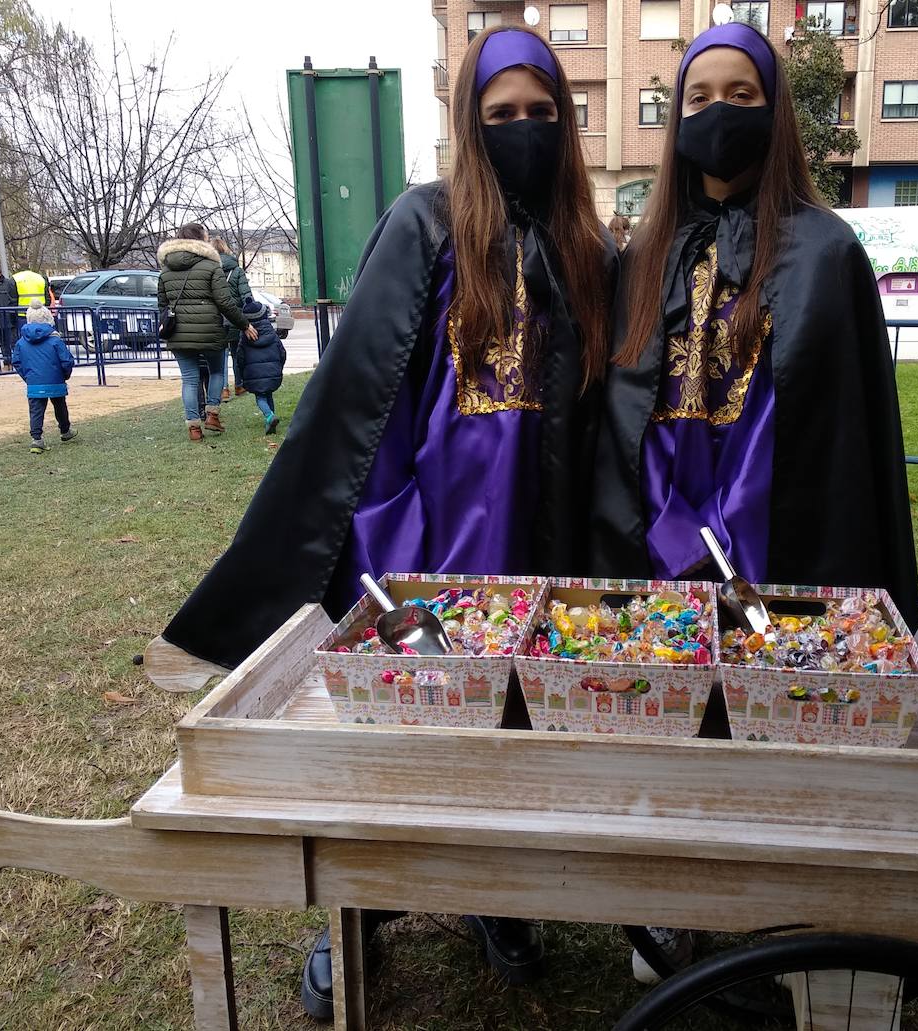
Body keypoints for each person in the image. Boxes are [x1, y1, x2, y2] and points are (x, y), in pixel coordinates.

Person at [155, 26, 612, 1018]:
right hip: (435, 542)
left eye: (542, 115)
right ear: (469, 124)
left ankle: (499, 899)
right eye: (503, 116)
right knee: (410, 740)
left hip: (546, 539)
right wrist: (388, 534)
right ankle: (362, 911)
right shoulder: (424, 224)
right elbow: (365, 399)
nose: (524, 131)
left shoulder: (587, 246)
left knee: (524, 732)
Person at [592, 27, 918, 981]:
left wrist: (724, 534)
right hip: (654, 533)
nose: (718, 114)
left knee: (781, 722)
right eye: (698, 98)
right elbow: (625, 410)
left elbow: (818, 426)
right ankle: (661, 902)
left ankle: (790, 905)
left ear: (773, 115)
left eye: (741, 94)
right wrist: (666, 524)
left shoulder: (826, 252)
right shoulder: (645, 250)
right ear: (673, 118)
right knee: (659, 722)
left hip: (780, 535)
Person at [155, 223, 256, 440]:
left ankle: (193, 428)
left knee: (189, 379)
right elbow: (225, 302)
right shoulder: (212, 267)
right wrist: (245, 325)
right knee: (217, 372)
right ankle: (212, 415)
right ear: (201, 239)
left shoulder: (165, 270)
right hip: (210, 329)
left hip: (178, 332)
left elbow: (162, 305)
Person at [11, 302, 77, 454]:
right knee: (60, 405)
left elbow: (17, 362)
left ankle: (37, 439)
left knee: (36, 410)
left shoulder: (21, 342)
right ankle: (65, 431)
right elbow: (66, 360)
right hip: (55, 379)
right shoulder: (55, 340)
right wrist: (64, 375)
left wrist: (27, 377)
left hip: (34, 382)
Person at [236, 296, 286, 434]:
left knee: (260, 397)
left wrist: (241, 372)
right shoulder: (272, 333)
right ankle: (270, 421)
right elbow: (282, 352)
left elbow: (240, 356)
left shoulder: (245, 337)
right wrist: (279, 367)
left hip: (253, 374)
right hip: (272, 371)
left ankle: (269, 416)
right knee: (269, 394)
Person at [211, 238, 253, 400]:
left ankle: (224, 389)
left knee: (222, 355)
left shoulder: (210, 270)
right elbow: (246, 294)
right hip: (235, 317)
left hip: (217, 318)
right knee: (236, 353)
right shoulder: (237, 271)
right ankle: (239, 384)